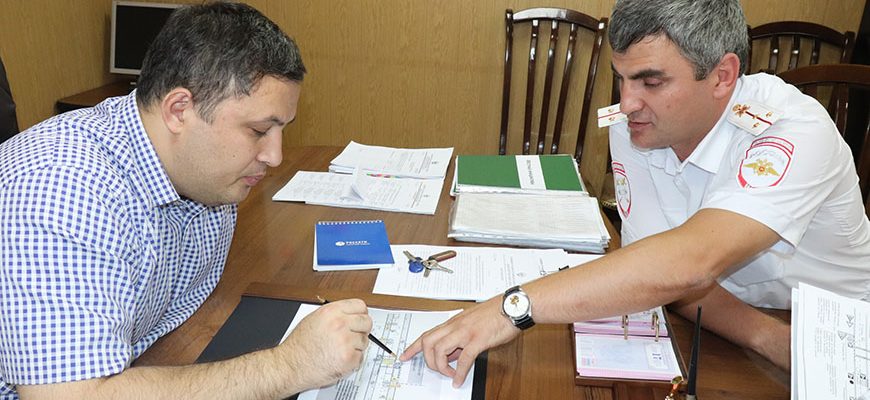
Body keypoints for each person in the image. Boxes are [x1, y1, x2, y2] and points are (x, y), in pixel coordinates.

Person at [401, 0, 870, 387]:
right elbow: (661, 270)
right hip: (729, 329)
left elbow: (688, 264)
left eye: (651, 81)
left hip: (837, 348)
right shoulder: (635, 127)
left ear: (723, 76)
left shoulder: (790, 130)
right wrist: (763, 337)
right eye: (621, 77)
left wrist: (513, 308)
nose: (626, 104)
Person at [0, 3, 372, 399]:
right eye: (259, 130)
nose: (274, 156)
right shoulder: (59, 191)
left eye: (281, 129)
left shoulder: (203, 170)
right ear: (179, 110)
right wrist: (288, 366)